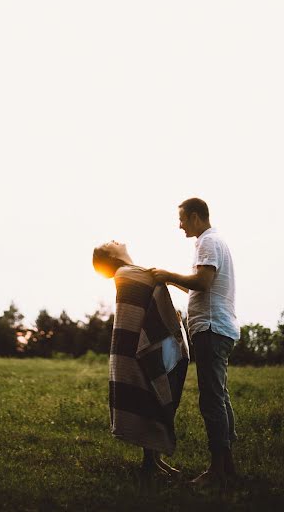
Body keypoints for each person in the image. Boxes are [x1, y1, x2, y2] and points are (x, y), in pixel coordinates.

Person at [150, 198, 240, 489]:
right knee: (220, 396)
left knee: (211, 399)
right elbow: (198, 283)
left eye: (182, 219)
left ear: (195, 216)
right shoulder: (212, 242)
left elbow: (203, 282)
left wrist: (167, 274)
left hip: (211, 329)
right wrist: (170, 282)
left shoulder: (207, 242)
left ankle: (217, 470)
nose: (180, 225)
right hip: (217, 328)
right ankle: (227, 466)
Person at [93, 241, 189, 477]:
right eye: (109, 243)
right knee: (153, 395)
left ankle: (152, 461)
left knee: (153, 396)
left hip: (149, 343)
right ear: (112, 256)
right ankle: (151, 463)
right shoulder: (127, 274)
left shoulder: (132, 273)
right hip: (145, 345)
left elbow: (153, 302)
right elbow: (178, 286)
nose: (115, 240)